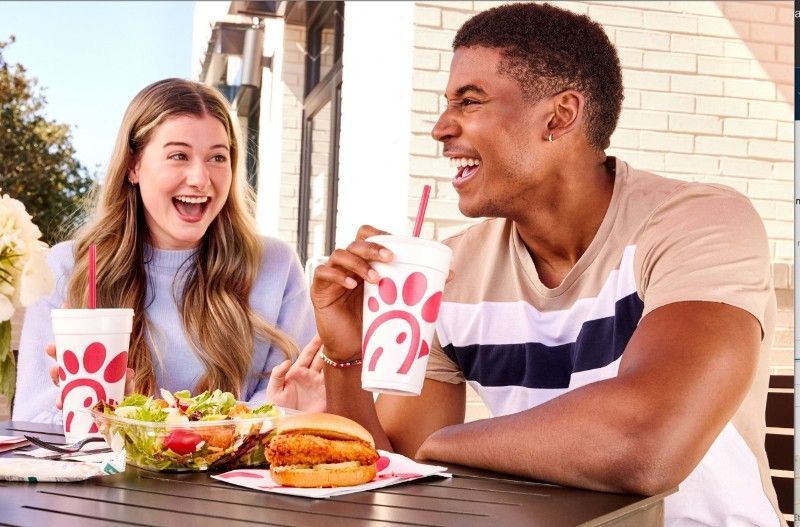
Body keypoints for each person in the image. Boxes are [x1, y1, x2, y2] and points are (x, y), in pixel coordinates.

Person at [309, 3, 783, 526]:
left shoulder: (695, 224)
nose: (441, 128)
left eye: (470, 101)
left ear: (559, 116)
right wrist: (346, 357)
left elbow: (645, 442)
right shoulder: (451, 270)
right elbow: (390, 474)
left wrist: (439, 445)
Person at [13, 78, 323, 423]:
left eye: (217, 157)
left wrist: (147, 422)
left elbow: (288, 402)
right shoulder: (70, 266)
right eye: (179, 155)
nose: (201, 178)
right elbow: (35, 420)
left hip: (234, 477)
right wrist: (105, 414)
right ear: (133, 166)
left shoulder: (275, 266)